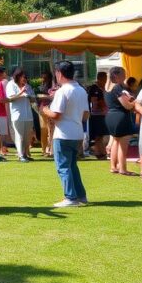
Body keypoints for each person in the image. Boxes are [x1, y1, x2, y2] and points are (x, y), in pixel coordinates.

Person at [42, 61, 88, 207]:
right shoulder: (81, 90)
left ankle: (70, 197)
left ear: (59, 73)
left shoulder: (63, 91)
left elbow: (56, 115)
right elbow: (86, 115)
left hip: (63, 134)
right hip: (77, 132)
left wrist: (44, 110)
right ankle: (80, 195)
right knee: (72, 166)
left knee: (63, 167)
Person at [105, 66, 137, 176]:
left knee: (115, 141)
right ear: (116, 75)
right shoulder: (117, 87)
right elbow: (127, 106)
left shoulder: (107, 87)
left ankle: (113, 167)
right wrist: (135, 103)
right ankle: (123, 169)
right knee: (123, 144)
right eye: (123, 74)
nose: (125, 76)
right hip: (121, 116)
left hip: (110, 116)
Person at [6, 68, 35, 162]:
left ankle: (25, 154)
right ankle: (20, 155)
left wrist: (30, 97)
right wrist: (21, 93)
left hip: (28, 115)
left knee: (27, 136)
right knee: (19, 135)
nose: (25, 79)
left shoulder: (27, 86)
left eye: (25, 77)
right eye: (23, 77)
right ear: (17, 76)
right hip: (17, 114)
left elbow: (33, 98)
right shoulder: (11, 84)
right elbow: (10, 97)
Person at [87, 71, 109, 159]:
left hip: (102, 114)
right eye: (105, 79)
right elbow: (94, 102)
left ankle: (100, 152)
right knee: (98, 135)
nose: (106, 81)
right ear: (101, 78)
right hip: (96, 115)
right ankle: (99, 153)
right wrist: (104, 103)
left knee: (100, 135)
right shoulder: (94, 88)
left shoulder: (102, 88)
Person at [36, 70, 57, 156]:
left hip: (50, 109)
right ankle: (44, 149)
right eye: (42, 77)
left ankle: (49, 149)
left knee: (50, 130)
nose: (43, 79)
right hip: (43, 109)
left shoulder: (53, 86)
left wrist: (45, 97)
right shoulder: (41, 86)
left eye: (45, 77)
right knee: (44, 129)